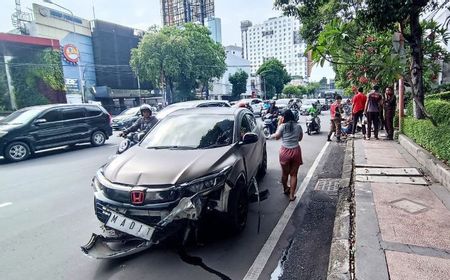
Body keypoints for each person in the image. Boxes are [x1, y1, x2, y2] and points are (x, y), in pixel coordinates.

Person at [269, 109, 303, 202]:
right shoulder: (298, 126)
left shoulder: (282, 126)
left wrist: (279, 124)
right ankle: (292, 195)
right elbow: (300, 139)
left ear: (284, 117)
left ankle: (285, 188)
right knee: (294, 174)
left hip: (285, 152)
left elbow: (277, 137)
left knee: (285, 173)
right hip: (296, 151)